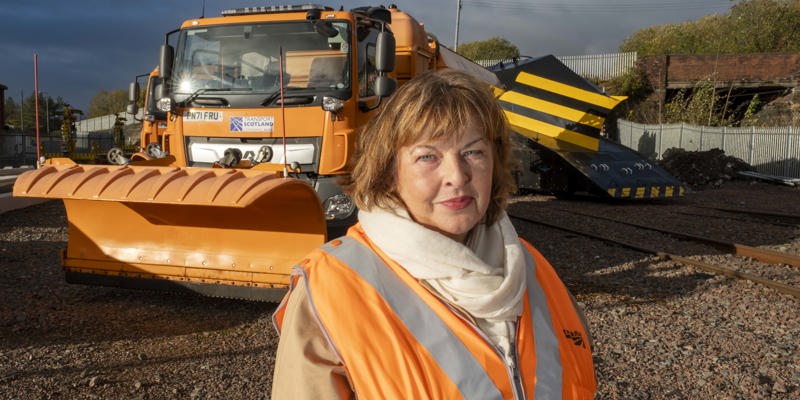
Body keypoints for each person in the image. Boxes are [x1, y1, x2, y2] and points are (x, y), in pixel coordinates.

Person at [271, 69, 596, 399]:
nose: (457, 175)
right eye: (428, 156)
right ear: (389, 172)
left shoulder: (533, 267)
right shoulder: (331, 289)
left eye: (473, 152)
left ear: (494, 163)